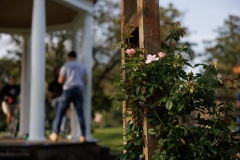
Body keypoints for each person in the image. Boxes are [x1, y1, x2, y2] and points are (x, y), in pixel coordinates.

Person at [49, 50, 87, 143]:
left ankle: (55, 134)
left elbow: (60, 80)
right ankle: (83, 135)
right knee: (80, 114)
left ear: (69, 57)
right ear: (76, 57)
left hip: (68, 90)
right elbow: (85, 80)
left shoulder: (65, 66)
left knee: (60, 113)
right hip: (78, 90)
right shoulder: (82, 67)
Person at [48, 68, 67, 138]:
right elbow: (48, 91)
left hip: (62, 99)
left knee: (63, 116)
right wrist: (50, 99)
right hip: (55, 100)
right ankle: (55, 131)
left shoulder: (63, 82)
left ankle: (62, 132)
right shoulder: (53, 83)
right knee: (57, 116)